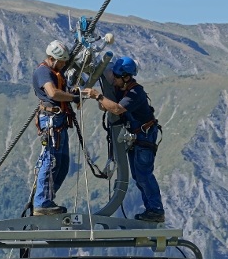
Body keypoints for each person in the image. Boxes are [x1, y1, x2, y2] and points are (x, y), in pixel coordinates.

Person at [81, 55, 165, 222]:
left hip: (144, 137)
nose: (114, 79)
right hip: (137, 137)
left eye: (117, 77)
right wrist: (103, 99)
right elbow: (107, 106)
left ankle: (156, 210)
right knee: (138, 176)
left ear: (126, 77)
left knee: (144, 174)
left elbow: (117, 109)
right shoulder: (122, 89)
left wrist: (99, 96)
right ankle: (152, 210)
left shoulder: (135, 93)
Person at [32, 39, 81, 216]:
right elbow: (53, 93)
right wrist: (73, 98)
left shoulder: (54, 72)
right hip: (51, 120)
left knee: (63, 163)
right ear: (53, 58)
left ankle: (48, 199)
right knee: (51, 160)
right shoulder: (43, 72)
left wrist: (72, 93)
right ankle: (42, 202)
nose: (63, 65)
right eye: (61, 62)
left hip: (59, 121)